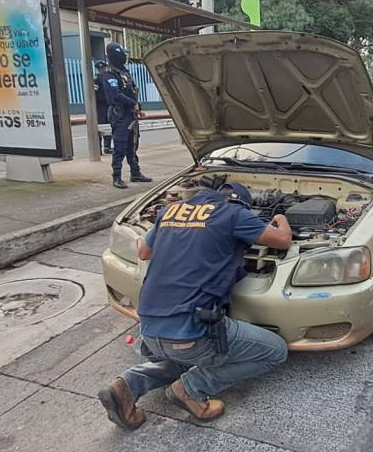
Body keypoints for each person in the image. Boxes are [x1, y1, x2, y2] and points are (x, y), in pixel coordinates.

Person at [97, 182, 292, 429]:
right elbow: (283, 239)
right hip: (192, 335)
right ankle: (190, 389)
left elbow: (144, 252)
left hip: (148, 328)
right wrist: (280, 217)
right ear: (241, 204)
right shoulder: (235, 214)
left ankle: (126, 385)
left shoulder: (171, 210)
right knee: (275, 350)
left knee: (185, 357)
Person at [102, 42, 151, 188]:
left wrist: (137, 107)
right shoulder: (109, 73)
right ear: (116, 55)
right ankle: (116, 177)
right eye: (122, 53)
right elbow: (114, 95)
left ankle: (135, 173)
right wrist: (132, 103)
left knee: (132, 145)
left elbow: (131, 92)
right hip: (119, 115)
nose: (125, 56)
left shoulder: (124, 72)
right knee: (120, 146)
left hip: (130, 114)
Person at [93, 60, 113, 154]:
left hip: (108, 105)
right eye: (100, 68)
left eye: (103, 68)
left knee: (108, 126)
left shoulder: (107, 78)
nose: (102, 70)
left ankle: (107, 146)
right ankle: (98, 148)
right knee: (99, 127)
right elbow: (95, 93)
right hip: (100, 106)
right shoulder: (96, 79)